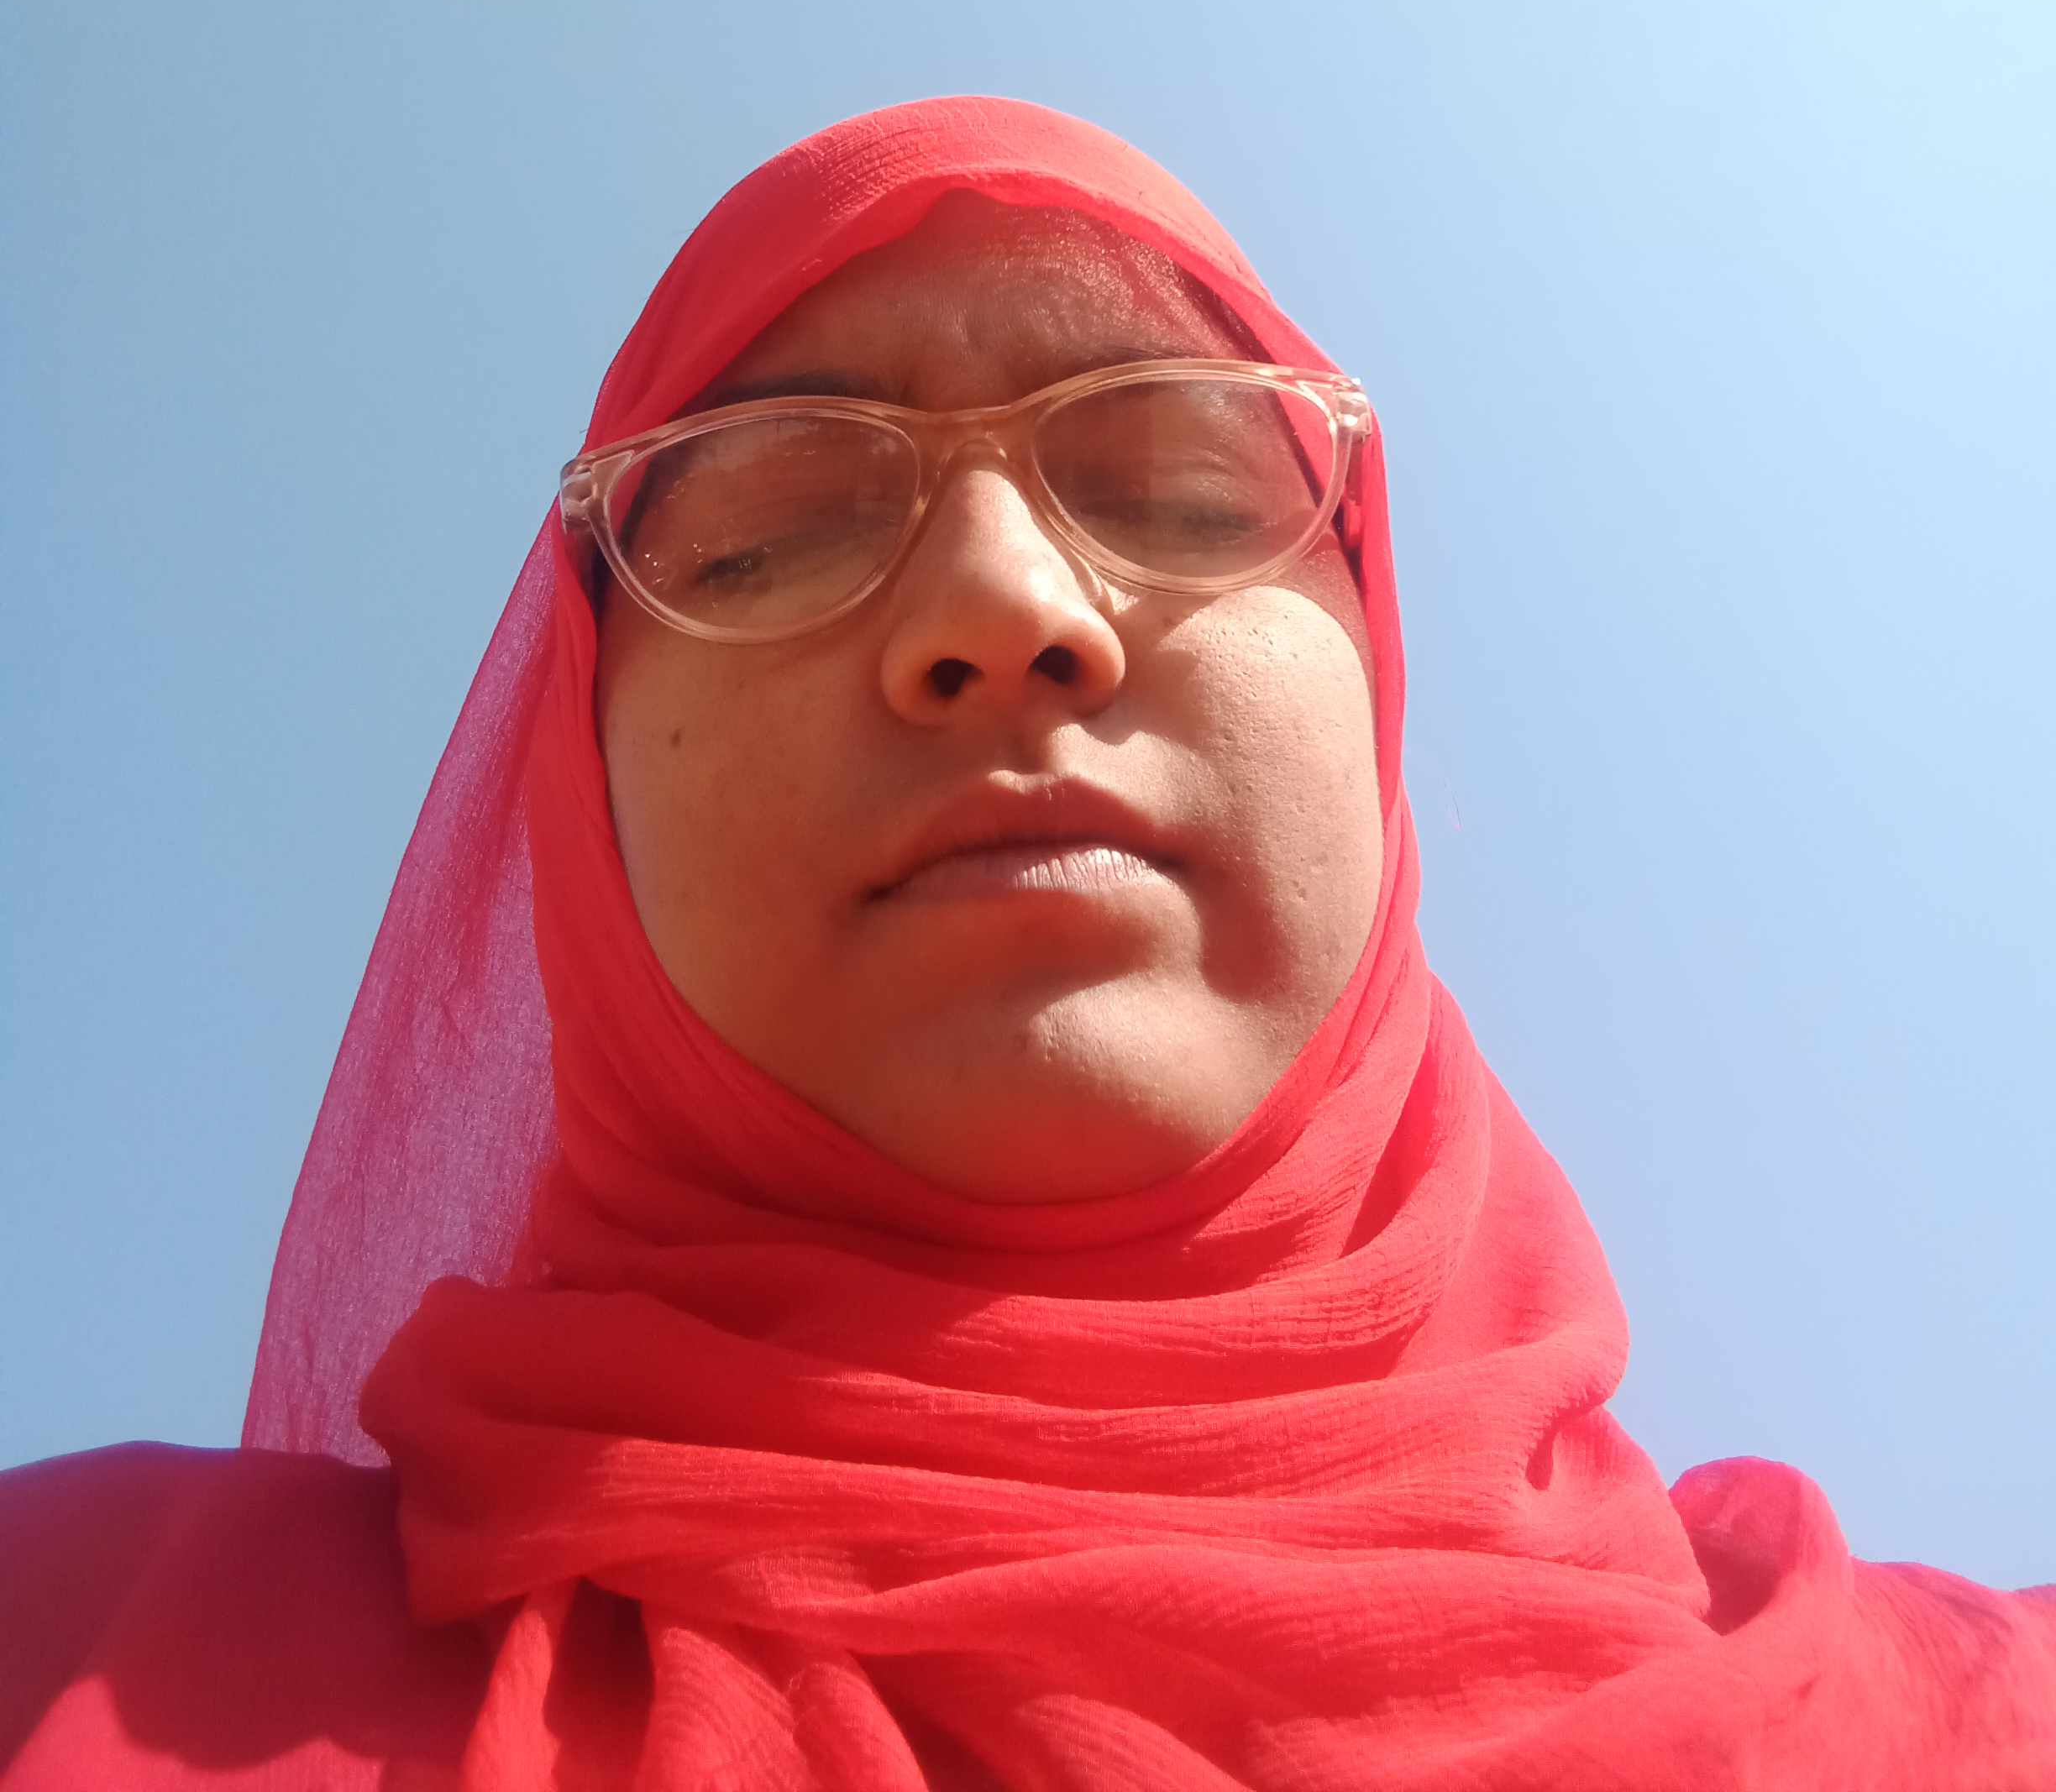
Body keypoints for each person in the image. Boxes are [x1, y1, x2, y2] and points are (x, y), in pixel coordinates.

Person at [3, 95, 2050, 1789]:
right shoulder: (85, 1661)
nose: (1002, 609)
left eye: (1175, 482)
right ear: (578, 792)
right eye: (773, 526)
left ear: (1375, 675)